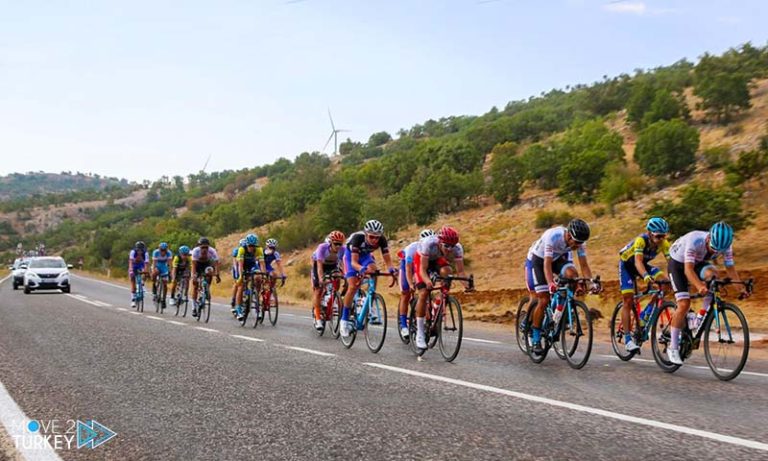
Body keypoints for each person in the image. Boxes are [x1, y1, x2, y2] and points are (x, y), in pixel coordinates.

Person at [666, 221, 749, 365]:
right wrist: (699, 286)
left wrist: (740, 288)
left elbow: (730, 268)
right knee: (684, 304)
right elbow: (688, 270)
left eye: (718, 251)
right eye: (713, 248)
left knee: (714, 277)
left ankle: (697, 319)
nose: (714, 251)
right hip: (678, 264)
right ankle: (672, 347)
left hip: (698, 262)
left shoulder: (726, 245)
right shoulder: (695, 240)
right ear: (709, 238)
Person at [524, 219, 598, 355]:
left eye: (580, 243)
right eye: (576, 243)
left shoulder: (579, 242)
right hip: (538, 261)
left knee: (572, 275)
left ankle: (560, 314)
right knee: (543, 299)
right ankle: (535, 336)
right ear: (569, 236)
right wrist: (551, 283)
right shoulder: (552, 236)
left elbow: (584, 265)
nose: (578, 246)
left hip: (557, 259)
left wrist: (591, 283)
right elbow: (547, 264)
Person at [618, 217, 671, 352]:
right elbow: (638, 262)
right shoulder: (641, 240)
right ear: (649, 233)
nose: (661, 239)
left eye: (663, 236)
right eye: (658, 236)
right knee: (628, 300)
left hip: (643, 265)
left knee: (665, 283)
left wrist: (675, 278)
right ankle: (628, 340)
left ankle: (644, 315)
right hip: (628, 266)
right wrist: (646, 277)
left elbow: (671, 264)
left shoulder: (664, 244)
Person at [412, 226, 467, 349]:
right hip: (421, 261)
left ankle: (440, 300)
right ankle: (420, 333)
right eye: (446, 246)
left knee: (447, 271)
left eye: (452, 246)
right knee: (423, 292)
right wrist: (427, 281)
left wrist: (467, 286)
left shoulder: (457, 249)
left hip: (437, 259)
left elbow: (461, 272)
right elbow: (422, 269)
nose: (449, 249)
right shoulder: (429, 244)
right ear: (440, 242)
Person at [340, 220, 397, 338]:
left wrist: (392, 270)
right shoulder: (357, 239)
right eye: (371, 237)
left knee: (374, 270)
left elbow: (387, 260)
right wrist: (361, 269)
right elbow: (354, 263)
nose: (374, 240)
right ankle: (344, 320)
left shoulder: (381, 240)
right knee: (353, 286)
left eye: (377, 237)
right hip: (351, 256)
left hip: (365, 256)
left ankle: (370, 298)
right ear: (366, 234)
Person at [397, 229, 434, 340]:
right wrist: (410, 283)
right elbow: (408, 269)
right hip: (407, 266)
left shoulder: (431, 249)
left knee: (425, 291)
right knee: (406, 293)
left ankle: (425, 320)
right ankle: (403, 325)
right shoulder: (411, 249)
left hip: (420, 265)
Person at [311, 231, 346, 331]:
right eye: (336, 244)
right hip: (319, 265)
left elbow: (343, 264)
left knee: (338, 278)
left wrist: (346, 276)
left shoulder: (343, 249)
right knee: (318, 290)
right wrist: (321, 278)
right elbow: (319, 267)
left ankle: (333, 297)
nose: (338, 246)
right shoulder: (322, 248)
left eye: (340, 244)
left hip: (332, 265)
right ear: (330, 242)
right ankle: (317, 317)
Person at [233, 234, 266, 320]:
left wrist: (264, 275)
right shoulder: (241, 249)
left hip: (251, 264)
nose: (251, 248)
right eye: (250, 246)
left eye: (253, 246)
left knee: (258, 277)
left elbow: (262, 264)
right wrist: (241, 275)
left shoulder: (259, 249)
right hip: (242, 265)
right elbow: (240, 265)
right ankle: (238, 309)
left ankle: (256, 295)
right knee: (241, 285)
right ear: (247, 245)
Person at [190, 237, 221, 318]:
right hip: (197, 265)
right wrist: (194, 276)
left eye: (206, 247)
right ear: (199, 247)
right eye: (202, 247)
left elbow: (217, 263)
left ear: (208, 247)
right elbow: (193, 265)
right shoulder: (195, 251)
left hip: (207, 263)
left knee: (210, 272)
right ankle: (193, 306)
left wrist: (217, 275)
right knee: (195, 285)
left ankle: (206, 288)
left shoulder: (212, 251)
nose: (204, 249)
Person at [128, 241, 149, 307]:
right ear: (136, 248)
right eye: (138, 250)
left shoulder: (145, 253)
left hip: (141, 265)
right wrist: (131, 270)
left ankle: (142, 284)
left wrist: (145, 271)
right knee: (132, 279)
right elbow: (131, 262)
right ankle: (133, 299)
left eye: (141, 250)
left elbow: (146, 263)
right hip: (134, 265)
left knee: (145, 272)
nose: (139, 251)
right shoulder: (133, 252)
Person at [231, 238, 246, 312]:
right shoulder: (236, 250)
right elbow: (235, 263)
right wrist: (237, 273)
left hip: (244, 266)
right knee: (237, 283)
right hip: (236, 267)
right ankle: (233, 299)